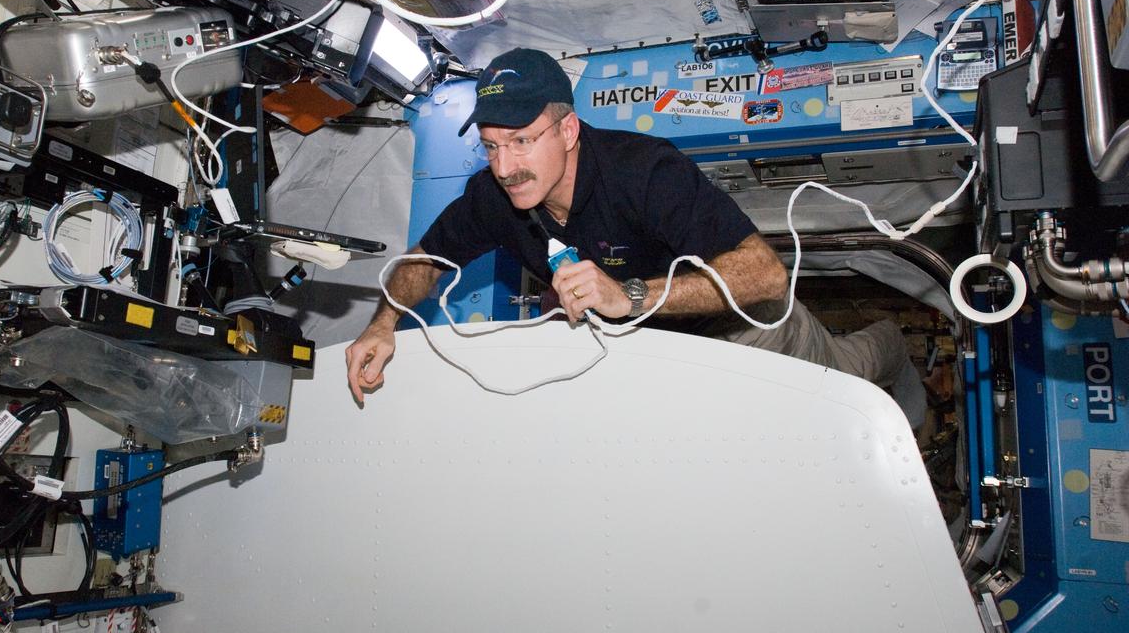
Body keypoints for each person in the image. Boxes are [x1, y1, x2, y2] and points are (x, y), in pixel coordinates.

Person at [345, 48, 924, 422]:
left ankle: (893, 343)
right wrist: (382, 324)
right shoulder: (493, 196)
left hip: (744, 329)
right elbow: (424, 259)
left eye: (521, 141)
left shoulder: (644, 172)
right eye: (491, 146)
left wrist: (630, 296)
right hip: (649, 351)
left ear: (567, 129)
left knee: (848, 377)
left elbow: (765, 274)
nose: (505, 166)